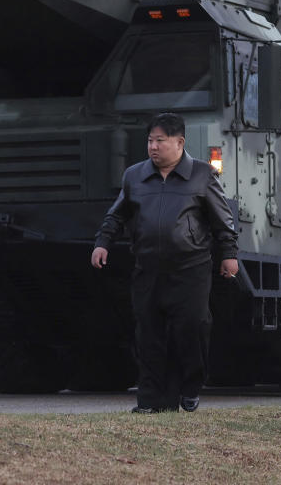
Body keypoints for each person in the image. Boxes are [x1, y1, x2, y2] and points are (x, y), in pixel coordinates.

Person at [91, 112, 239, 413]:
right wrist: (102, 242)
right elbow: (117, 214)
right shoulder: (135, 175)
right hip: (148, 267)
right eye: (150, 140)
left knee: (191, 328)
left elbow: (223, 220)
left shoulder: (202, 174)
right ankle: (151, 401)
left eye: (160, 140)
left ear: (179, 142)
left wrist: (229, 254)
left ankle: (191, 384)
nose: (153, 147)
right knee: (149, 333)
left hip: (191, 267)